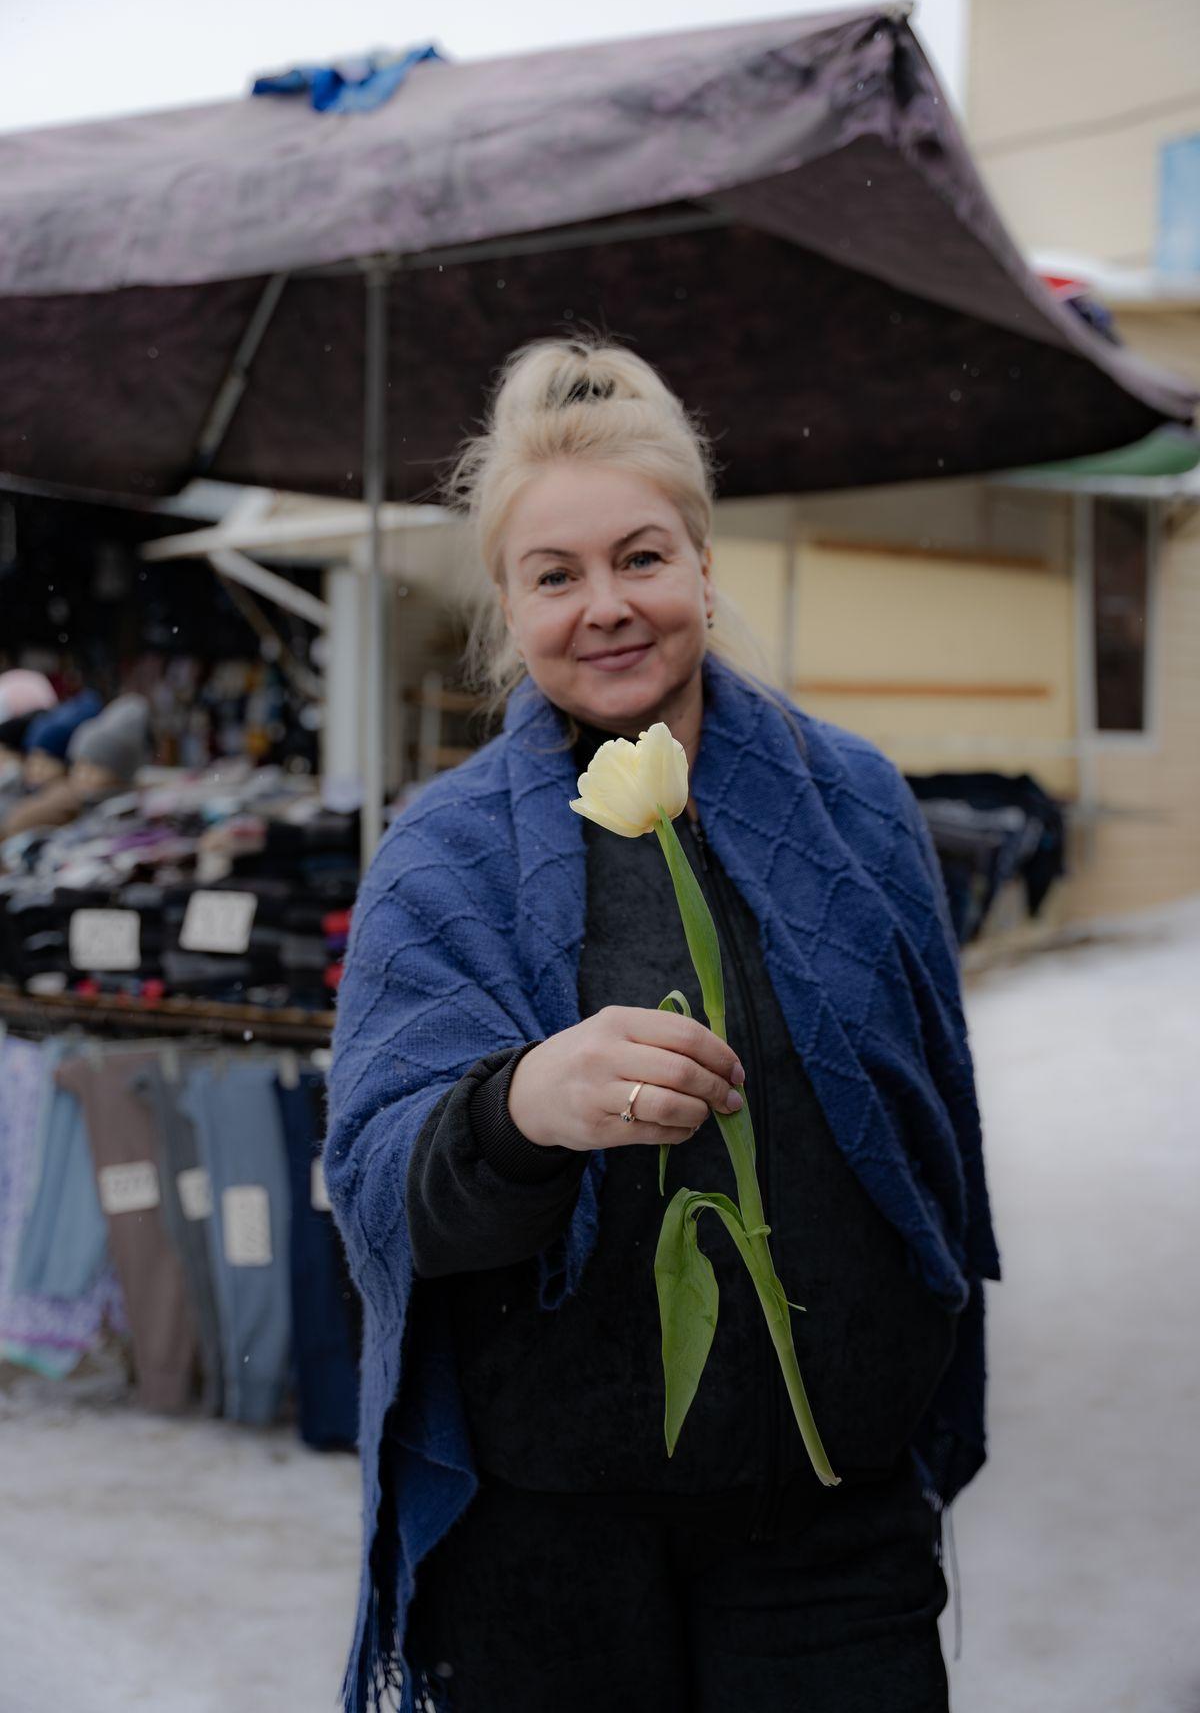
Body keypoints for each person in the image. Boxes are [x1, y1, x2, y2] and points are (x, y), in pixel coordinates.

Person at [325, 338, 1001, 1713]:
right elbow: (376, 1181)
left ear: (701, 562)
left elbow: (937, 1129)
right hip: (550, 1533)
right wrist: (517, 1109)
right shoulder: (442, 857)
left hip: (834, 1508)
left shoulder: (857, 806)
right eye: (555, 576)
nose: (607, 608)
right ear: (508, 610)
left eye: (641, 558)